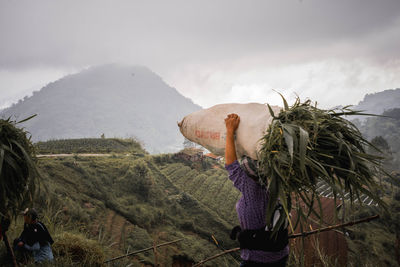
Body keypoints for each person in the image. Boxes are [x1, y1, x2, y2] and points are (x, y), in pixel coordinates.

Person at [224, 113, 289, 267]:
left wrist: (229, 131)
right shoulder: (279, 182)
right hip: (279, 257)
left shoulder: (250, 185)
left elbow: (231, 165)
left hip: (258, 261)